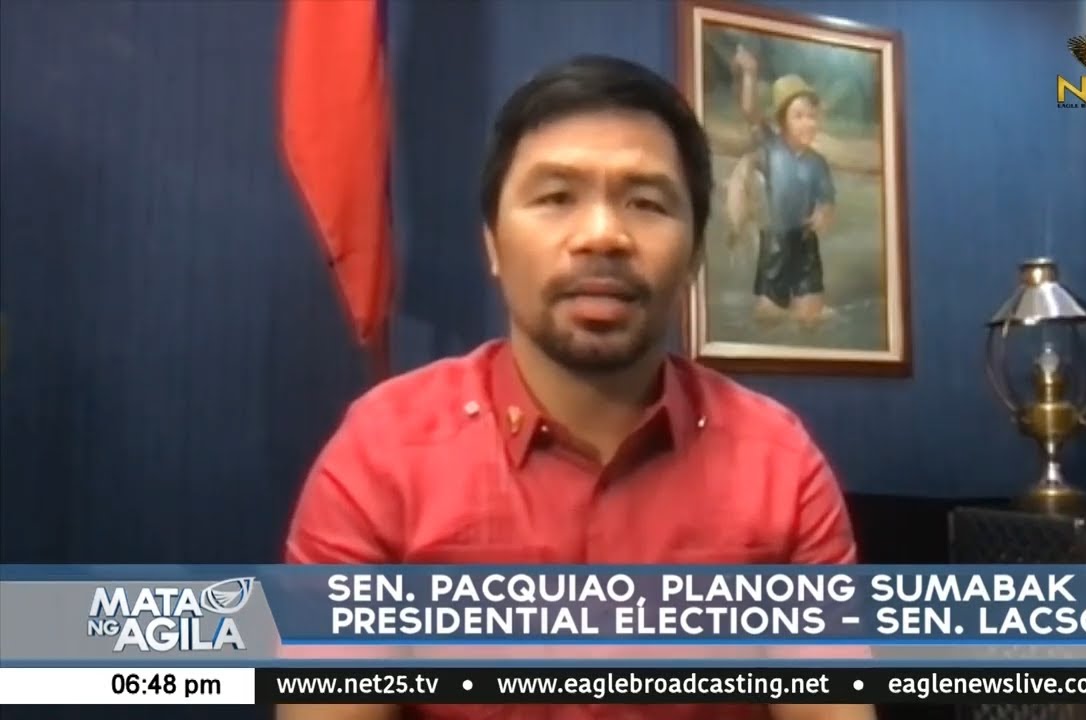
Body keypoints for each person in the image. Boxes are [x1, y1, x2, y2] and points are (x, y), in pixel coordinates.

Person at [280, 54, 873, 720]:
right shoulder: (382, 454)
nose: (602, 236)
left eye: (646, 203)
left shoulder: (781, 468)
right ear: (493, 243)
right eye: (557, 198)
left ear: (693, 257)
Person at [731, 45, 836, 329]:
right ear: (782, 121)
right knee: (769, 319)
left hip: (805, 243)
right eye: (799, 116)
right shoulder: (771, 146)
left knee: (811, 321)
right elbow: (750, 111)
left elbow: (827, 200)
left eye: (812, 116)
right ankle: (772, 303)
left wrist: (824, 213)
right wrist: (750, 73)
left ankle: (806, 306)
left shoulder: (818, 163)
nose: (808, 123)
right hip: (775, 243)